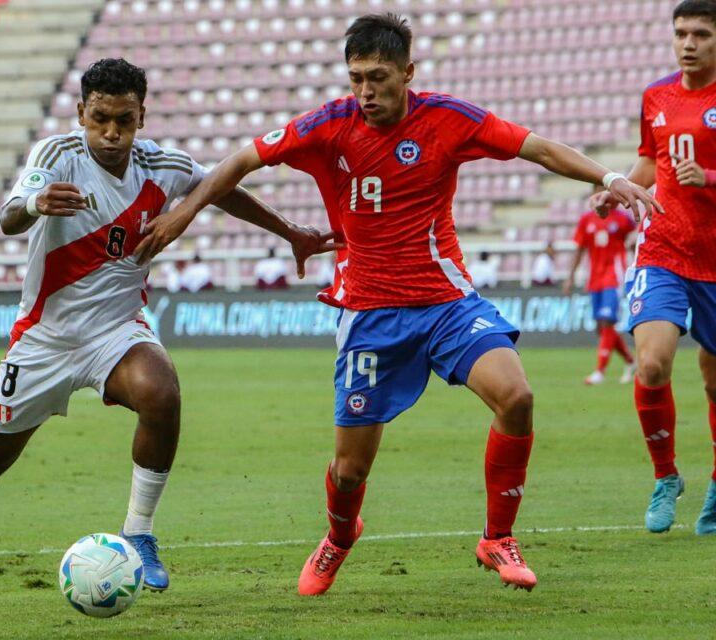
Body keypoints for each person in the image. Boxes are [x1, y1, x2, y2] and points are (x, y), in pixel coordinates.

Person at [136, 14, 660, 593]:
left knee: (517, 397)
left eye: (379, 77)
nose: (366, 91)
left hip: (446, 301)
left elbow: (537, 148)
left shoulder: (449, 120)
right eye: (356, 77)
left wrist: (609, 176)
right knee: (350, 468)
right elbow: (238, 163)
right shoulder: (326, 126)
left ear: (407, 73)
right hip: (369, 314)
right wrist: (187, 211)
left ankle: (497, 537)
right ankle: (338, 536)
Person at [0, 58, 331, 608]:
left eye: (124, 119)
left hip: (116, 332)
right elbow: (8, 216)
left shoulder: (163, 166)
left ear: (142, 115)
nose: (111, 132)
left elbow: (220, 187)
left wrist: (290, 230)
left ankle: (139, 534)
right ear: (81, 112)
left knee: (161, 391)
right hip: (44, 339)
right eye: (100, 118)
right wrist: (33, 204)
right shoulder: (58, 156)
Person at [592, 0, 716, 536]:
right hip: (663, 250)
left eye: (701, 35)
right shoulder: (657, 96)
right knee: (652, 365)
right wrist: (618, 187)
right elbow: (652, 159)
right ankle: (667, 476)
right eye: (681, 33)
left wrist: (707, 178)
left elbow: (694, 170)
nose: (688, 44)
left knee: (713, 381)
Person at [564, 185, 637, 385]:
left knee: (607, 322)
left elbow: (639, 231)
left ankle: (600, 371)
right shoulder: (586, 220)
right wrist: (570, 277)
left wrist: (633, 242)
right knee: (602, 327)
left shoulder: (622, 218)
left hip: (614, 275)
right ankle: (631, 362)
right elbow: (579, 249)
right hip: (594, 277)